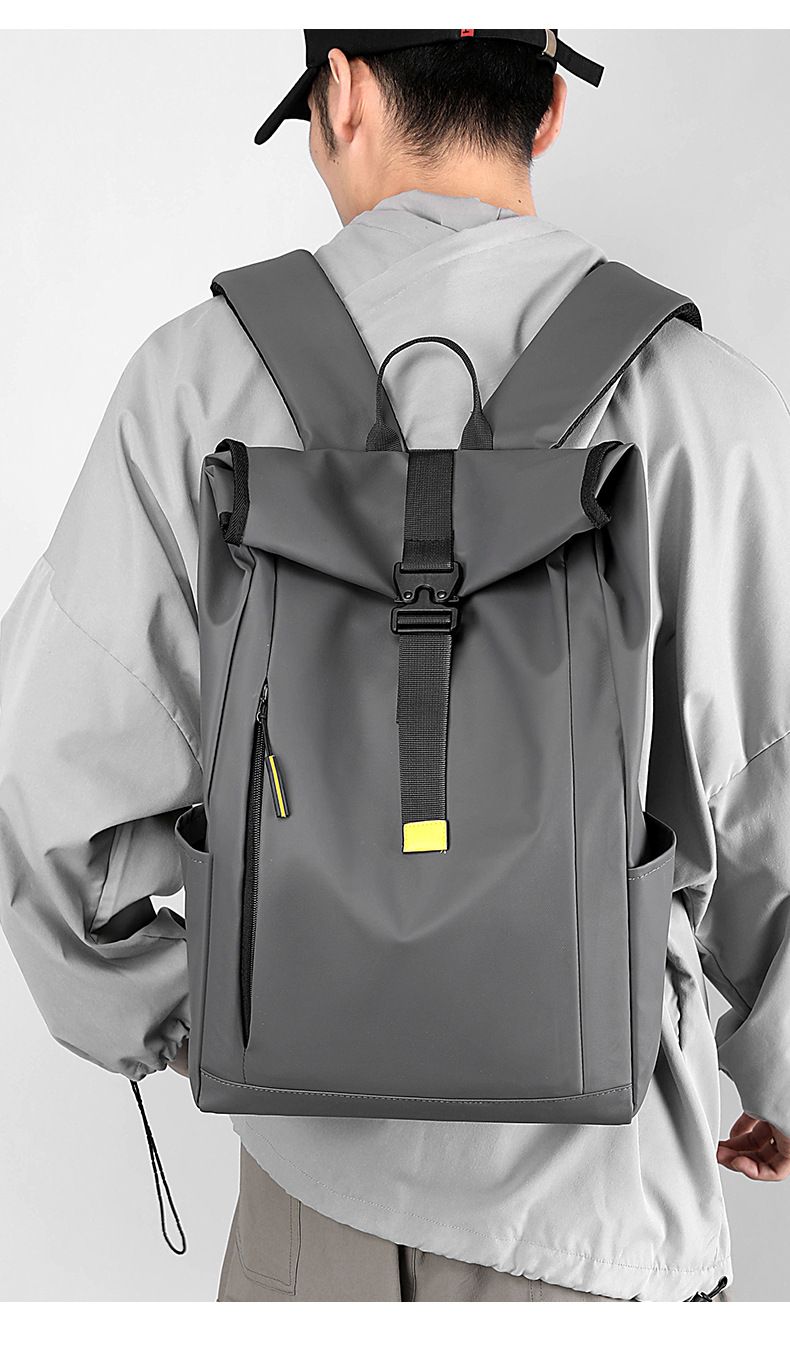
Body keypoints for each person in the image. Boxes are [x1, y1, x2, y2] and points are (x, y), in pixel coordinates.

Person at [0, 28, 788, 1303]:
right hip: (600, 1229)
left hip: (309, 1233)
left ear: (343, 92)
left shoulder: (193, 383)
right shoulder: (707, 403)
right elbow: (770, 796)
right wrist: (777, 1072)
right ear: (548, 109)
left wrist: (232, 1012)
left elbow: (42, 785)